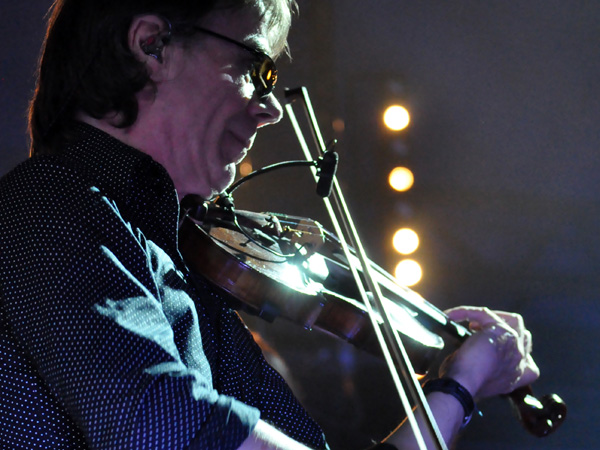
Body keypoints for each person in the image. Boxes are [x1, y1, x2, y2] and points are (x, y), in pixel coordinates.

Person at [0, 0, 540, 448]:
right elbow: (159, 422)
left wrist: (457, 386)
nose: (271, 110)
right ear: (152, 45)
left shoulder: (181, 272)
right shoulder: (47, 207)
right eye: (259, 70)